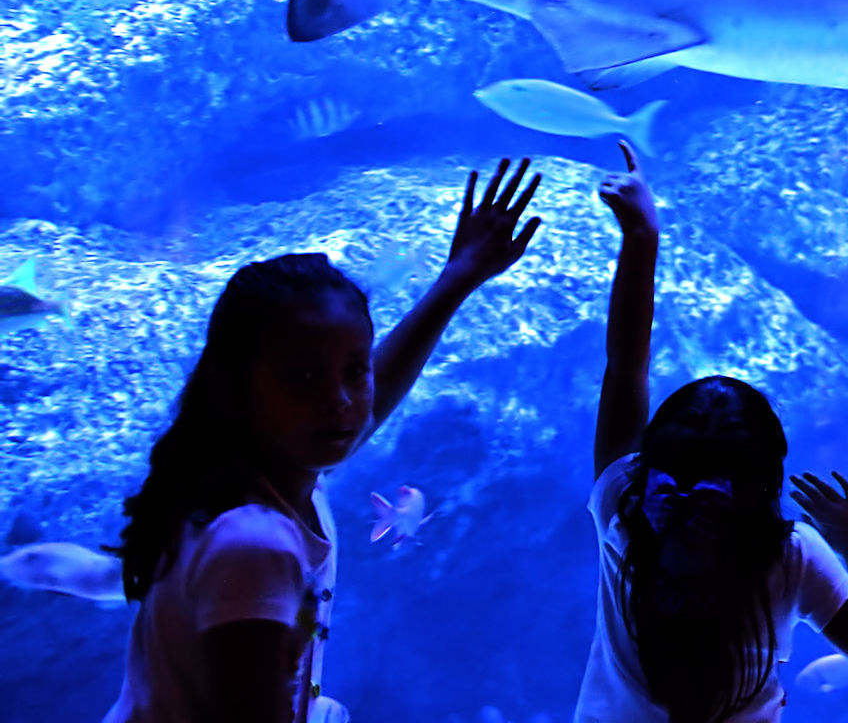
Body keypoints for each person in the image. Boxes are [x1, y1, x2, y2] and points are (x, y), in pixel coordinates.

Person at [104, 158, 544, 723]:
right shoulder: (254, 548)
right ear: (236, 389)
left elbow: (366, 405)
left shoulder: (250, 481)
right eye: (302, 377)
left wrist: (458, 277)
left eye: (352, 370)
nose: (338, 400)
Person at [577, 141, 848, 723]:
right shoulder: (790, 557)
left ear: (649, 465)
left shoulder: (622, 511)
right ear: (762, 487)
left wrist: (640, 239)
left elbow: (624, 365)